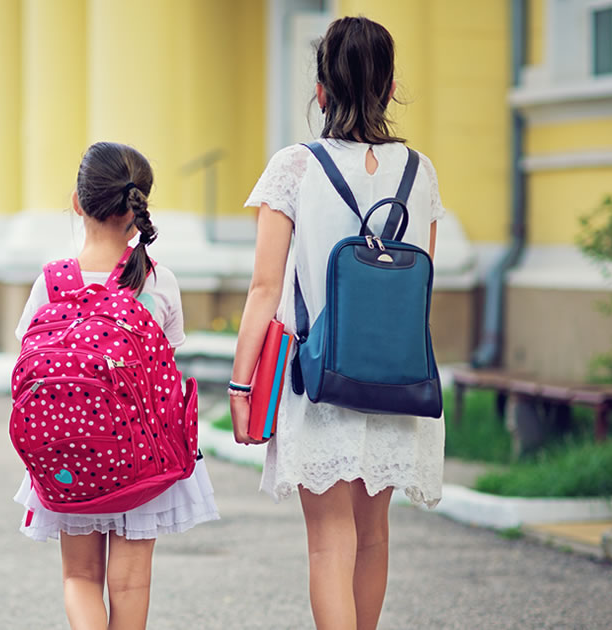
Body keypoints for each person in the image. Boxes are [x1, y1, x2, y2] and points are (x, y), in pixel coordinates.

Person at [230, 17, 446, 630]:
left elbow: (265, 288)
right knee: (373, 535)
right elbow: (417, 283)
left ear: (321, 89)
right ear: (391, 87)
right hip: (395, 375)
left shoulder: (295, 168)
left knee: (330, 540)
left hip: (320, 381)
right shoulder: (420, 173)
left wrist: (243, 385)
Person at [12, 142, 219, 630]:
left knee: (79, 577)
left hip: (68, 451)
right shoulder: (158, 280)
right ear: (138, 205)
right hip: (139, 453)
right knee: (130, 583)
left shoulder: (51, 282)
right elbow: (166, 364)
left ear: (78, 202)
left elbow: (26, 361)